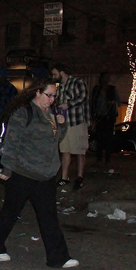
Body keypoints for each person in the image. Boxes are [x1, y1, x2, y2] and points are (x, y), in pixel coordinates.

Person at [0, 82, 79, 269]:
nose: (52, 100)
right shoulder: (23, 113)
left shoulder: (50, 115)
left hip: (45, 174)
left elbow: (54, 138)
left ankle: (58, 257)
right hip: (23, 172)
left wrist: (62, 125)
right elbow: (12, 141)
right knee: (10, 211)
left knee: (49, 217)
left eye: (54, 96)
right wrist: (7, 168)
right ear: (37, 93)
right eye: (48, 95)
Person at [52, 63, 89, 191]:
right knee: (65, 151)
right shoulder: (60, 86)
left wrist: (68, 104)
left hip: (77, 121)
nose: (53, 76)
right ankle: (64, 177)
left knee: (79, 150)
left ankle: (79, 177)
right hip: (65, 123)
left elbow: (83, 97)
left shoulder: (78, 82)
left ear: (62, 73)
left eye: (55, 73)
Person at [90, 72, 121, 167]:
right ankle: (99, 159)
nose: (106, 80)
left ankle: (107, 159)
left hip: (109, 117)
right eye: (105, 78)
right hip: (99, 117)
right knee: (99, 138)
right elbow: (92, 103)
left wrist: (113, 103)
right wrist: (92, 118)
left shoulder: (112, 89)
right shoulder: (96, 90)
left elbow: (118, 102)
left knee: (108, 139)